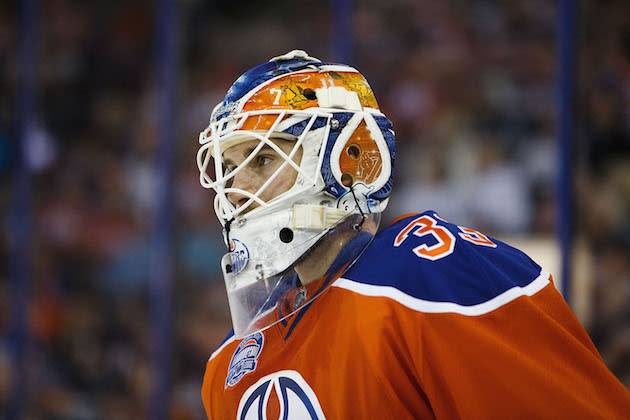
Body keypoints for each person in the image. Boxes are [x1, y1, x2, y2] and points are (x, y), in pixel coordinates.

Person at [196, 50, 630, 419]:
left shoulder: (427, 280)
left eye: (261, 161)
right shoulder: (230, 366)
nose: (237, 190)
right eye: (229, 169)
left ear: (351, 158)